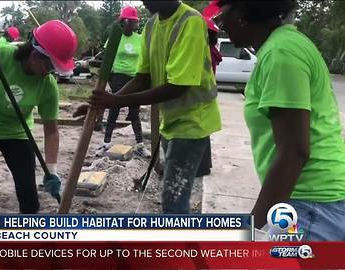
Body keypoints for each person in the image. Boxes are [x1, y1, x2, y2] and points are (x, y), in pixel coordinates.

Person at [215, 0, 345, 240]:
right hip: (305, 200)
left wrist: (248, 230)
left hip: (310, 204)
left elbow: (294, 152)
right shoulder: (280, 47)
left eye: (223, 13)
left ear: (244, 13)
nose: (220, 22)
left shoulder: (281, 53)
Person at [88, 0, 222, 214]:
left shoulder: (191, 21)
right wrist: (106, 102)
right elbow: (143, 77)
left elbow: (178, 87)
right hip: (171, 121)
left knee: (173, 201)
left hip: (193, 122)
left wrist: (116, 102)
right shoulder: (151, 26)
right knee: (173, 196)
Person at [0, 20, 78, 214]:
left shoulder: (47, 85)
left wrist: (51, 171)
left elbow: (51, 131)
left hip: (17, 133)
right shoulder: (1, 57)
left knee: (30, 199)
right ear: (36, 55)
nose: (51, 73)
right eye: (50, 66)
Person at [95, 6, 150, 158]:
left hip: (134, 78)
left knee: (134, 112)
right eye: (130, 21)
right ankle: (106, 143)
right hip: (118, 76)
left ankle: (140, 145)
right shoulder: (115, 37)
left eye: (135, 22)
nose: (133, 24)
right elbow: (107, 56)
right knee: (114, 109)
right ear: (123, 22)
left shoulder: (140, 39)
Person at [196, 5, 223, 178]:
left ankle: (202, 167)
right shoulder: (211, 50)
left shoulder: (206, 51)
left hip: (202, 93)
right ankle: (205, 166)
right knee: (203, 131)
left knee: (200, 132)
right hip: (206, 93)